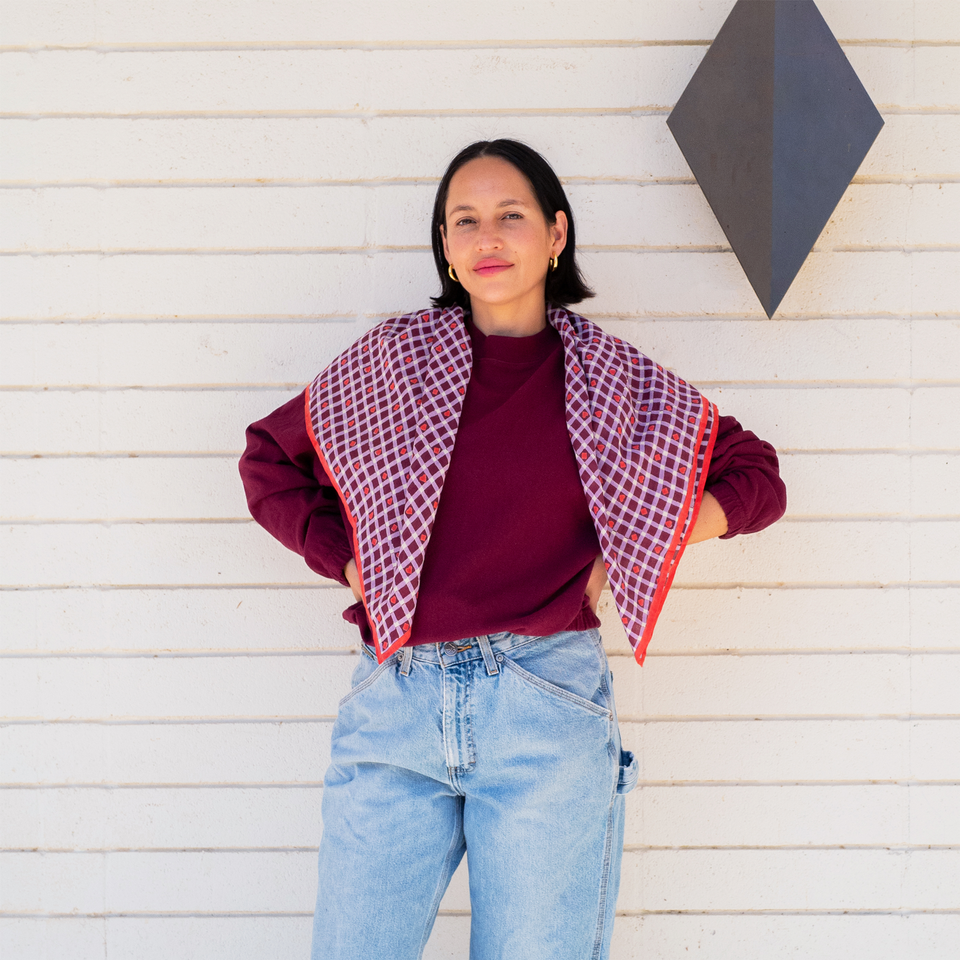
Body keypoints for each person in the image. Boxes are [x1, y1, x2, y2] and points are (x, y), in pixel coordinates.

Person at [239, 139, 786, 960]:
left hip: (544, 707)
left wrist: (640, 538)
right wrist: (346, 560)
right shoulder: (391, 362)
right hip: (396, 706)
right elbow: (268, 460)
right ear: (447, 248)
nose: (487, 237)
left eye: (511, 216)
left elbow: (757, 480)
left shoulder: (615, 380)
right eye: (465, 221)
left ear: (556, 234)